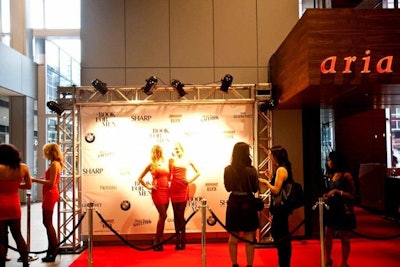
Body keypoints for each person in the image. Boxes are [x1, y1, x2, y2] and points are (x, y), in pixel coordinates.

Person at [224, 142, 259, 267]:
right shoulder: (251, 170)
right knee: (250, 236)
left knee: (233, 236)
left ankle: (234, 264)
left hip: (233, 201)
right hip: (248, 202)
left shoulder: (228, 169)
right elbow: (255, 188)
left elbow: (227, 188)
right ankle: (249, 265)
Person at [259, 145, 293, 267]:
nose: (270, 158)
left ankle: (284, 263)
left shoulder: (281, 170)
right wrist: (271, 178)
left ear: (276, 156)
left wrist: (266, 182)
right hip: (281, 208)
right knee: (281, 235)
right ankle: (283, 263)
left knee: (281, 236)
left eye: (271, 155)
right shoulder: (283, 168)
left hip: (281, 209)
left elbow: (276, 190)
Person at [0, 144, 32, 267]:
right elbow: (28, 186)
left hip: (0, 205)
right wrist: (14, 186)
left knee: (1, 239)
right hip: (14, 204)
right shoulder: (23, 168)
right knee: (18, 235)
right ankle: (25, 263)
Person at [322, 151, 356, 267]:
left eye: (330, 160)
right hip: (332, 208)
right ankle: (328, 259)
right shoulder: (332, 175)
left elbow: (352, 194)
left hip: (343, 209)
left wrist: (337, 192)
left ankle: (344, 262)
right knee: (328, 235)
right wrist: (327, 196)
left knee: (344, 237)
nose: (328, 162)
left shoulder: (346, 175)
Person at [32, 143, 63, 262]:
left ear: (50, 152)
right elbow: (49, 180)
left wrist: (34, 180)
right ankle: (52, 249)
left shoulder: (55, 164)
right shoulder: (55, 164)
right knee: (47, 223)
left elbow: (51, 183)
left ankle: (54, 249)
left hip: (50, 193)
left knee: (47, 223)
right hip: (49, 193)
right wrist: (37, 179)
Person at [137, 144, 170, 251]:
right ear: (153, 153)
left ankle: (159, 239)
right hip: (157, 191)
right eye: (156, 152)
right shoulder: (151, 164)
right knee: (163, 215)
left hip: (166, 190)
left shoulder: (165, 164)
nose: (158, 153)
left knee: (162, 217)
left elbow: (169, 177)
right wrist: (148, 186)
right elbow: (140, 178)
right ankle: (156, 239)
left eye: (159, 151)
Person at [169, 142, 200, 250]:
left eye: (178, 149)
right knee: (175, 215)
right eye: (175, 149)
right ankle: (177, 241)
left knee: (180, 214)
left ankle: (183, 240)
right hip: (173, 189)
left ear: (182, 149)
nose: (176, 151)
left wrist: (189, 180)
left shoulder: (188, 160)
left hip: (183, 189)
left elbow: (198, 172)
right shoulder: (172, 161)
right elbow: (169, 176)